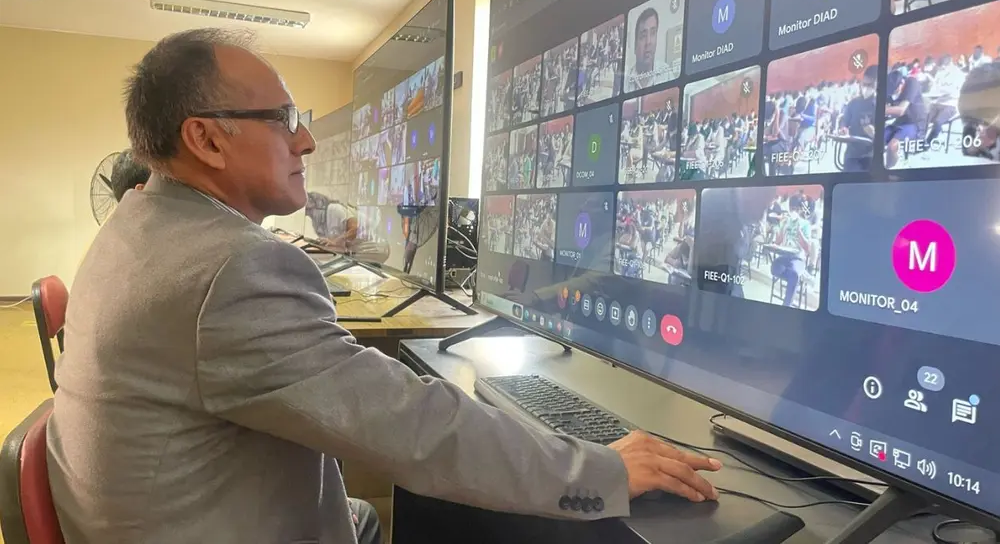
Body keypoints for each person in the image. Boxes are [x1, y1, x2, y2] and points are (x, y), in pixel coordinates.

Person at [47, 28, 721, 544]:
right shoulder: (229, 269)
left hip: (155, 518)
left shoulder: (143, 226)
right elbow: (414, 430)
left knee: (373, 510)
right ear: (206, 139)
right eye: (283, 119)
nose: (305, 140)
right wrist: (600, 470)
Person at [838, 65, 878, 171]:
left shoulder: (881, 105)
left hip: (871, 156)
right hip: (852, 155)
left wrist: (874, 134)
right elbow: (844, 121)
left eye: (869, 85)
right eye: (863, 84)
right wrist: (843, 128)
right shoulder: (853, 103)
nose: (865, 88)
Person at [625, 7, 659, 92]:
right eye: (643, 36)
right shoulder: (625, 82)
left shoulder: (667, 74)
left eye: (653, 33)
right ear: (635, 45)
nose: (648, 42)